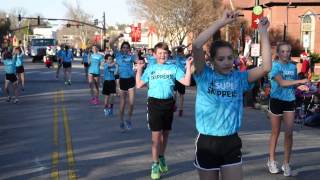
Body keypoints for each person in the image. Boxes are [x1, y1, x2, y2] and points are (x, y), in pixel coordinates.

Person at [192, 11, 271, 180]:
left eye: (230, 58)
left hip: (231, 141)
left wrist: (263, 32)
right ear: (212, 61)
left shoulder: (239, 78)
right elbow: (197, 45)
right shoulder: (204, 75)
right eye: (221, 59)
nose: (227, 62)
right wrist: (221, 22)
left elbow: (266, 68)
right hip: (207, 142)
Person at [136, 42, 192, 180]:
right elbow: (139, 84)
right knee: (156, 137)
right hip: (154, 103)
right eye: (160, 53)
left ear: (168, 54)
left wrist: (189, 67)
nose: (162, 55)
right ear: (154, 55)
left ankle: (161, 156)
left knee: (165, 134)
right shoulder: (151, 68)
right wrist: (139, 69)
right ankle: (155, 164)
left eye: (165, 53)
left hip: (168, 103)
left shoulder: (174, 68)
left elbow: (186, 82)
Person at [267, 41, 309, 177]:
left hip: (289, 101)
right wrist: (299, 82)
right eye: (283, 51)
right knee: (275, 132)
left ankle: (286, 163)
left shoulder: (292, 66)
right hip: (276, 101)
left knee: (289, 133)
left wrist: (300, 86)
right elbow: (282, 82)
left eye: (288, 51)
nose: (286, 54)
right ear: (278, 53)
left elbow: (292, 84)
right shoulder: (274, 66)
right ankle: (271, 160)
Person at [110, 34, 138, 131]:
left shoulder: (131, 56)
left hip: (131, 80)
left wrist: (136, 54)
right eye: (124, 47)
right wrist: (118, 36)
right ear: (121, 48)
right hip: (122, 81)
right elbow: (111, 42)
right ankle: (121, 121)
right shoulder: (118, 55)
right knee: (122, 103)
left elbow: (138, 61)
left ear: (129, 49)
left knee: (131, 103)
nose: (125, 49)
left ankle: (128, 120)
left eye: (127, 47)